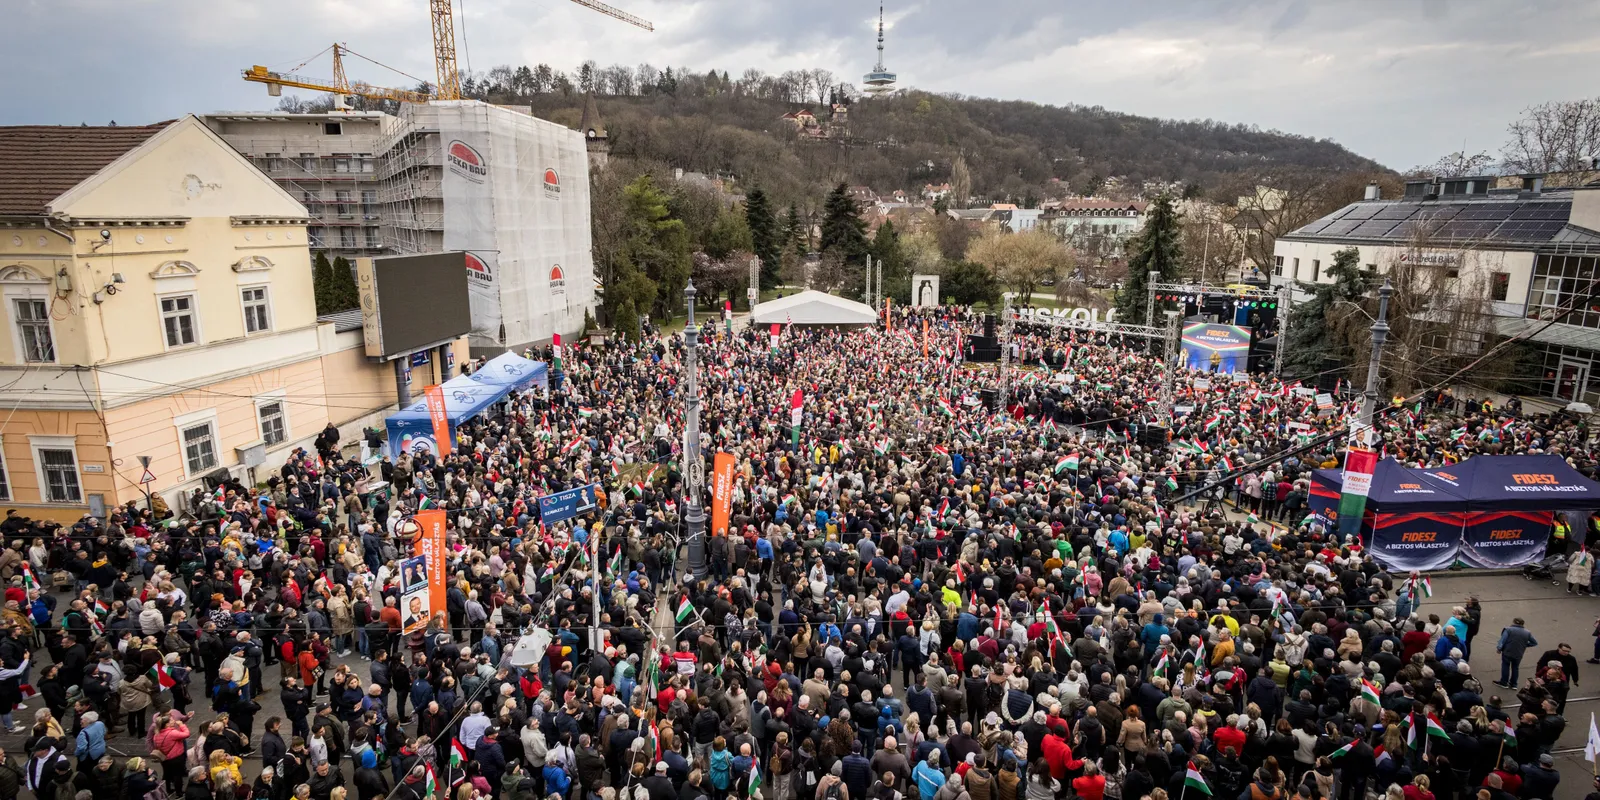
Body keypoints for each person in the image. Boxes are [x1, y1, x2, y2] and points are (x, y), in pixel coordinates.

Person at [1497, 618, 1538, 689]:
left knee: (1505, 666)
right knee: (1515, 668)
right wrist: (1525, 645)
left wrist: (1499, 648)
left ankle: (1504, 682)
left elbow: (1502, 640)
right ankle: (1514, 684)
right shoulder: (1527, 632)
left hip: (1507, 652)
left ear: (1514, 622)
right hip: (1519, 653)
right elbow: (1534, 643)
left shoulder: (1508, 629)